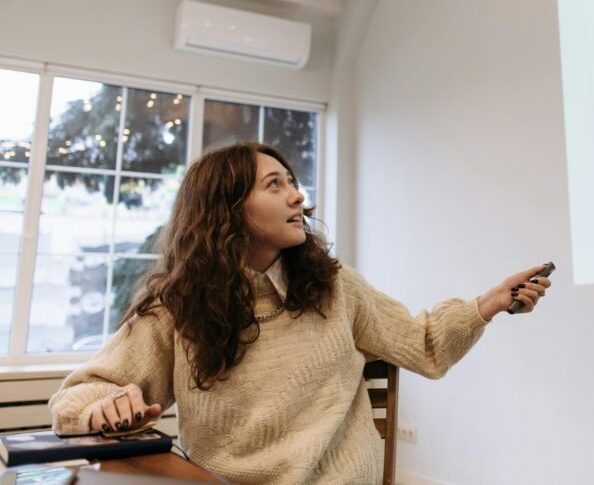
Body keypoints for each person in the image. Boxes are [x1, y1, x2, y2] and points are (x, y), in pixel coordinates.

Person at [49, 142, 551, 484]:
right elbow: (78, 395)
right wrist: (103, 405)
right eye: (274, 185)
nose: (298, 195)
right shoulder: (176, 310)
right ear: (226, 209)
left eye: (292, 181)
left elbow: (423, 344)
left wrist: (486, 305)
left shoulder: (335, 287)